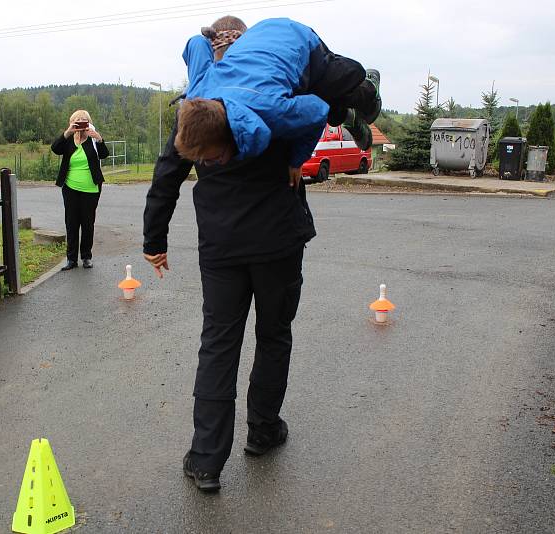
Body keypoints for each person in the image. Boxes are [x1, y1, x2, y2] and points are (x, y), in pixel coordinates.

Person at [143, 28, 317, 489]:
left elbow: (167, 171)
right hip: (278, 241)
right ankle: (263, 431)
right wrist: (297, 159)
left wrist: (153, 239)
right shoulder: (278, 90)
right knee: (274, 335)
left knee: (219, 343)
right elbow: (318, 112)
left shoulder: (198, 102)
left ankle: (205, 460)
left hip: (221, 248)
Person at [178, 17, 380, 181]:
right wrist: (208, 39)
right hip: (261, 49)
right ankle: (348, 117)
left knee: (345, 82)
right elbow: (196, 43)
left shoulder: (273, 111)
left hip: (295, 39)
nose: (208, 164)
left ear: (225, 134)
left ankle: (370, 88)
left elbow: (318, 109)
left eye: (215, 158)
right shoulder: (197, 93)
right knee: (315, 105)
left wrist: (297, 160)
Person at [51, 110, 108, 270]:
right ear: (72, 122)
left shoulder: (92, 140)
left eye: (84, 120)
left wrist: (99, 138)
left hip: (91, 188)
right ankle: (71, 259)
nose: (81, 122)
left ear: (89, 123)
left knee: (88, 223)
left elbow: (104, 155)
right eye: (78, 119)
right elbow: (55, 148)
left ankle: (86, 257)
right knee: (71, 223)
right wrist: (68, 132)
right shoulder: (68, 140)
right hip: (70, 188)